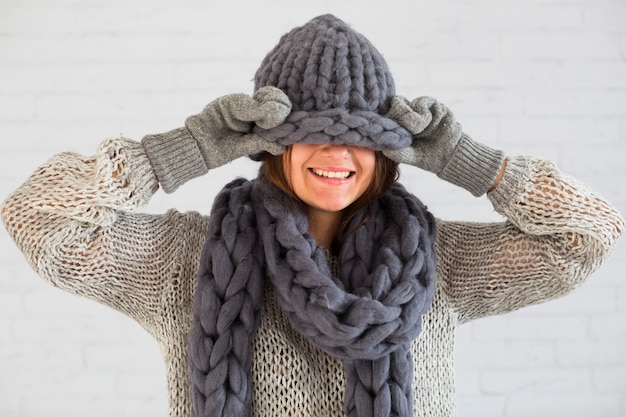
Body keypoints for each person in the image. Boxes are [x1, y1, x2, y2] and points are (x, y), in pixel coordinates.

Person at [1, 14, 623, 417]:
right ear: (272, 144)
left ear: (385, 149)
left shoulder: (442, 265)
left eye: (358, 136)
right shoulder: (184, 262)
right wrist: (185, 149)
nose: (336, 152)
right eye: (313, 133)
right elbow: (39, 219)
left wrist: (467, 161)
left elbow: (588, 235)